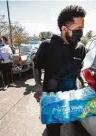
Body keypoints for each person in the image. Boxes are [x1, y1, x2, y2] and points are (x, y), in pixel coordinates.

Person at [33, 5, 87, 136]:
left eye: (82, 28)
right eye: (78, 29)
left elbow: (77, 70)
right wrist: (38, 84)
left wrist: (84, 83)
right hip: (52, 99)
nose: (81, 33)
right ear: (64, 28)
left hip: (71, 97)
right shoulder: (47, 45)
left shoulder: (81, 48)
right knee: (53, 129)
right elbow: (37, 66)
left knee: (69, 122)